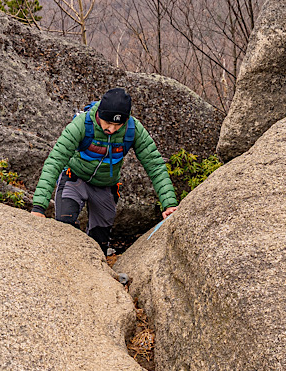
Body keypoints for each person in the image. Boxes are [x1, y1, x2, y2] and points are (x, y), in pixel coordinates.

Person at [31, 87, 177, 254]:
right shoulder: (82, 124)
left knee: (99, 244)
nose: (112, 129)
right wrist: (39, 207)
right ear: (100, 114)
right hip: (75, 179)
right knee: (65, 223)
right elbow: (55, 160)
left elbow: (155, 165)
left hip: (105, 186)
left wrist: (169, 204)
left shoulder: (133, 129)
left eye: (118, 124)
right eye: (108, 123)